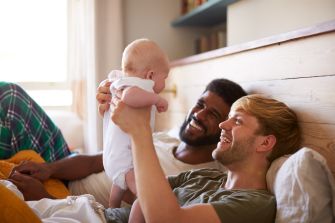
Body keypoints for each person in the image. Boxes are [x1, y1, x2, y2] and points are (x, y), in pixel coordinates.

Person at [6, 78, 247, 207]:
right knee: (10, 97)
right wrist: (49, 168)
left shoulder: (200, 178)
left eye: (213, 115)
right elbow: (95, 161)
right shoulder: (165, 138)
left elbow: (116, 214)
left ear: (224, 128)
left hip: (69, 202)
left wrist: (48, 200)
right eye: (200, 104)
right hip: (62, 171)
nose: (199, 115)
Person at [109, 94, 301, 223]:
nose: (223, 125)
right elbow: (144, 198)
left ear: (265, 143)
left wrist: (139, 131)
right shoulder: (206, 176)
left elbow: (168, 220)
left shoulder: (256, 205)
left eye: (238, 121)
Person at [102, 39, 170, 209]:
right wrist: (156, 98)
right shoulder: (139, 86)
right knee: (144, 193)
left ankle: (112, 211)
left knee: (119, 189)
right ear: (150, 76)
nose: (165, 84)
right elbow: (129, 96)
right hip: (123, 159)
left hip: (117, 158)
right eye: (165, 78)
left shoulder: (124, 81)